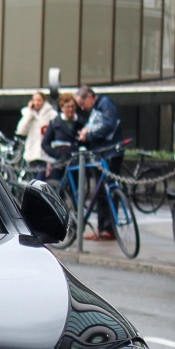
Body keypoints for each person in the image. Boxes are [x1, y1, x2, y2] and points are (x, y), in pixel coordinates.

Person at [76, 84, 124, 239]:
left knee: (106, 190)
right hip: (102, 153)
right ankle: (103, 227)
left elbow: (108, 125)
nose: (83, 108)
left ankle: (108, 228)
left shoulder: (105, 104)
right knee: (101, 191)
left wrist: (88, 136)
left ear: (89, 97)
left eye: (83, 104)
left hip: (109, 153)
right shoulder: (99, 106)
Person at [41, 91, 83, 183]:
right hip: (58, 163)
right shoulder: (55, 123)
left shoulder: (81, 122)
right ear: (62, 107)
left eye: (73, 107)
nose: (71, 110)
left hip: (75, 161)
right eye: (68, 107)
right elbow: (45, 144)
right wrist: (57, 154)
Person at [14, 91, 56, 179]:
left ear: (44, 101)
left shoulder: (51, 115)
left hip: (45, 154)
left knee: (40, 180)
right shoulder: (28, 114)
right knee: (33, 179)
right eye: (34, 100)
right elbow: (21, 131)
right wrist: (29, 114)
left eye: (39, 100)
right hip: (32, 153)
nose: (36, 103)